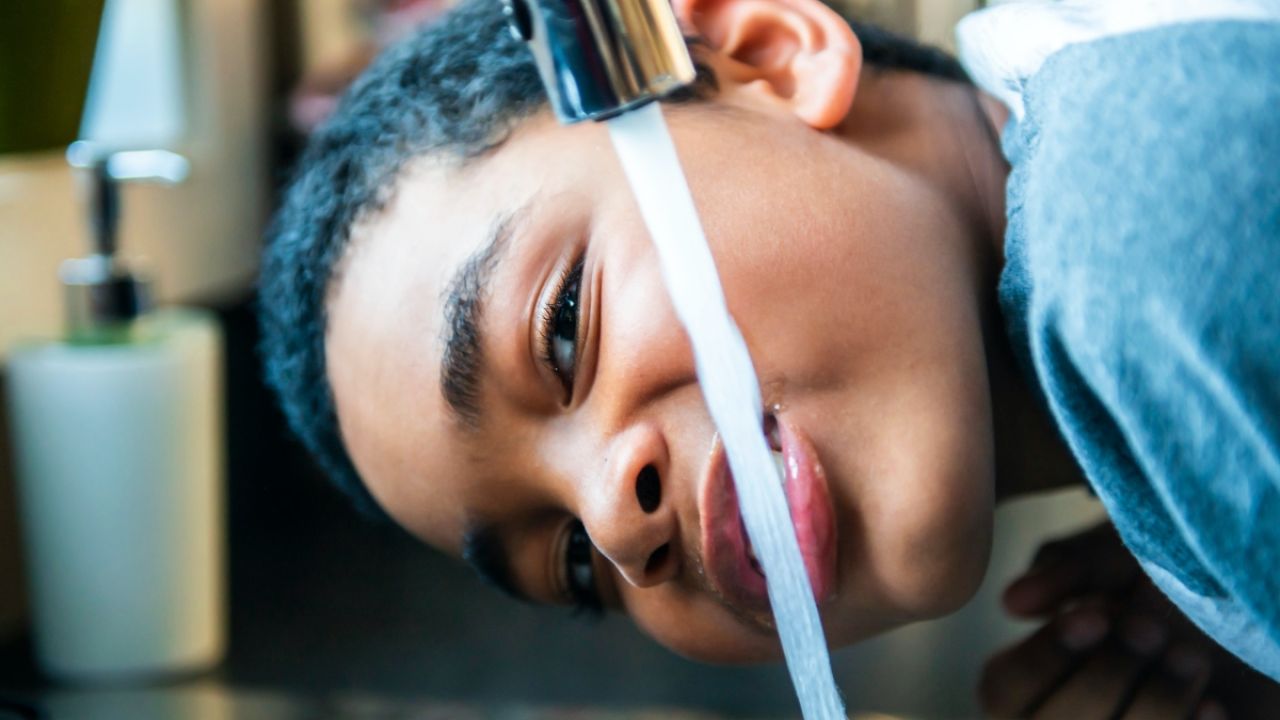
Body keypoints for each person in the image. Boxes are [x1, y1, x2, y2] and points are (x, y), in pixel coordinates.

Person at [258, 0, 1280, 714]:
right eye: (573, 563)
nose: (617, 525)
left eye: (563, 326)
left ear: (768, 57)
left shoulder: (1136, 253)